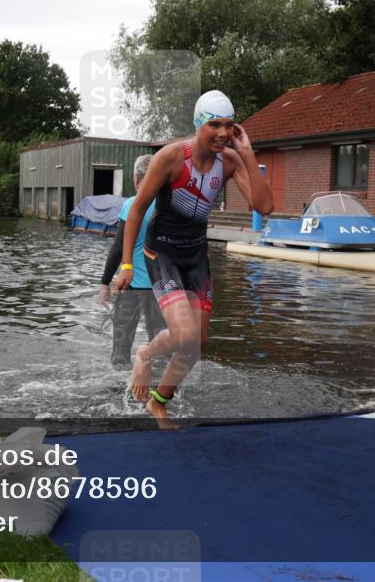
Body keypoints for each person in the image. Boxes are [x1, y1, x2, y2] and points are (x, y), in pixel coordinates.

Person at [115, 90, 274, 428]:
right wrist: (127, 264)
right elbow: (137, 210)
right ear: (198, 124)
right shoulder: (172, 157)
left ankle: (158, 403)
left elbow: (264, 207)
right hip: (163, 254)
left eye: (229, 126)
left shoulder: (230, 161)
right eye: (214, 124)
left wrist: (246, 152)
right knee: (184, 332)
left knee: (196, 345)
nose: (222, 133)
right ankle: (145, 354)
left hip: (196, 256)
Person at [99, 154, 165, 369]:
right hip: (162, 288)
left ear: (137, 178)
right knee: (162, 350)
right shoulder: (170, 206)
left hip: (131, 286)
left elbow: (118, 248)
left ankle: (120, 395)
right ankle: (160, 394)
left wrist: (104, 282)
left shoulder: (133, 204)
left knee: (121, 350)